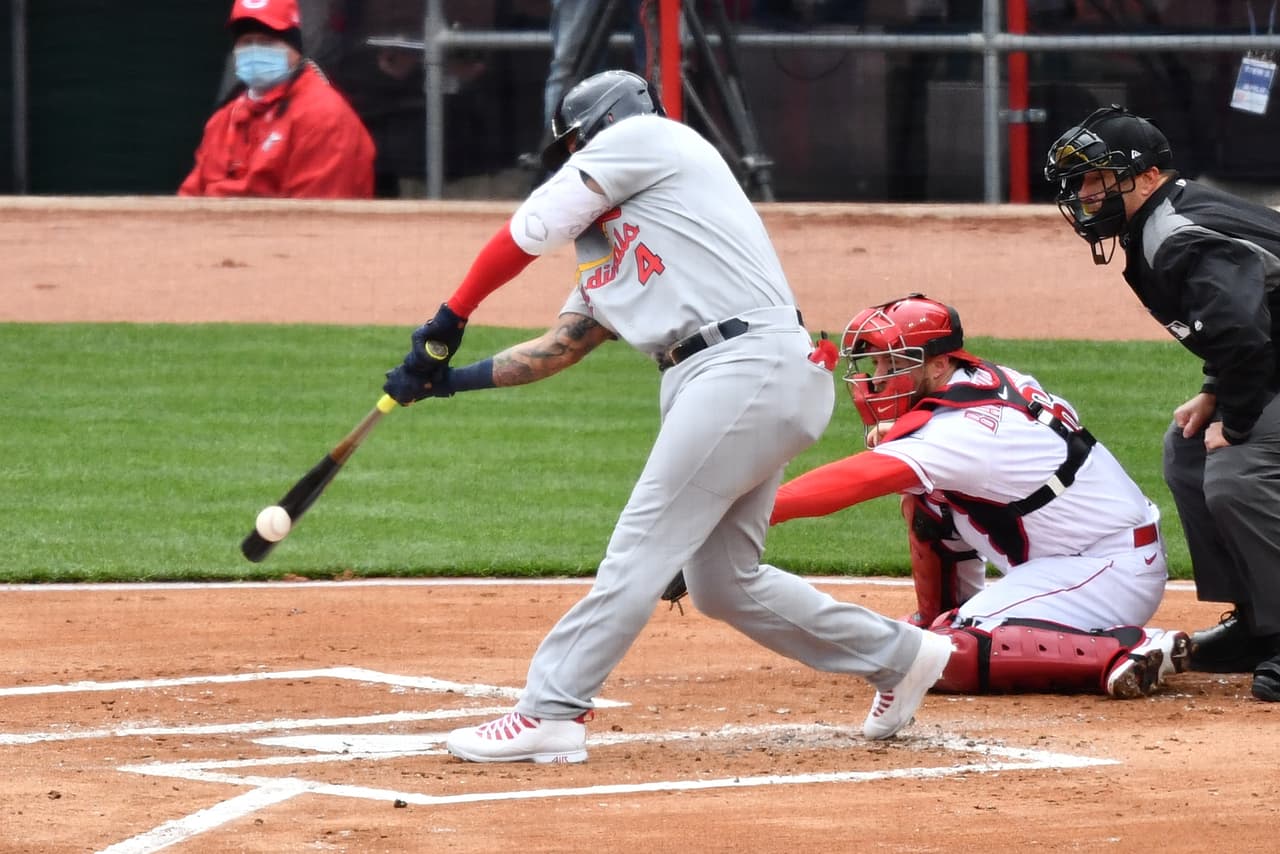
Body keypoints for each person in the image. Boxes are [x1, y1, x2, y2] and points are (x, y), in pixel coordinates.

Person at [381, 70, 953, 763]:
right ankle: (899, 657)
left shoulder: (651, 138)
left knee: (641, 547)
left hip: (744, 366)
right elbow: (561, 346)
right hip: (734, 380)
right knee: (725, 583)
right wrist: (446, 382)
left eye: (573, 147)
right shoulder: (619, 234)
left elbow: (529, 227)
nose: (571, 160)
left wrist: (450, 319)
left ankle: (551, 711)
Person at [770, 294, 1190, 698]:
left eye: (894, 363)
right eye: (877, 361)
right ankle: (944, 616)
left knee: (937, 659)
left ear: (937, 365)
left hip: (1106, 571)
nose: (878, 377)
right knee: (925, 501)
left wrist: (754, 507)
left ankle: (1125, 649)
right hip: (1076, 552)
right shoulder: (975, 381)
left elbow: (854, 481)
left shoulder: (965, 433)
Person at [1045, 105, 1280, 703]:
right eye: (1084, 183)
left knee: (1237, 470)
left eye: (1101, 179)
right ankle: (1258, 624)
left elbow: (1245, 334)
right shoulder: (1161, 223)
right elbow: (1247, 316)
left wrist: (1240, 415)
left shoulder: (1173, 232)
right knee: (1187, 451)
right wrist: (1212, 391)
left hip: (1266, 365)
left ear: (1148, 176)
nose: (1087, 194)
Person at [179, 0, 375, 199]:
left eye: (267, 42)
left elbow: (317, 217)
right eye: (246, 42)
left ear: (295, 49)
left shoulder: (325, 116)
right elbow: (186, 203)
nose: (255, 51)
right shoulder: (223, 119)